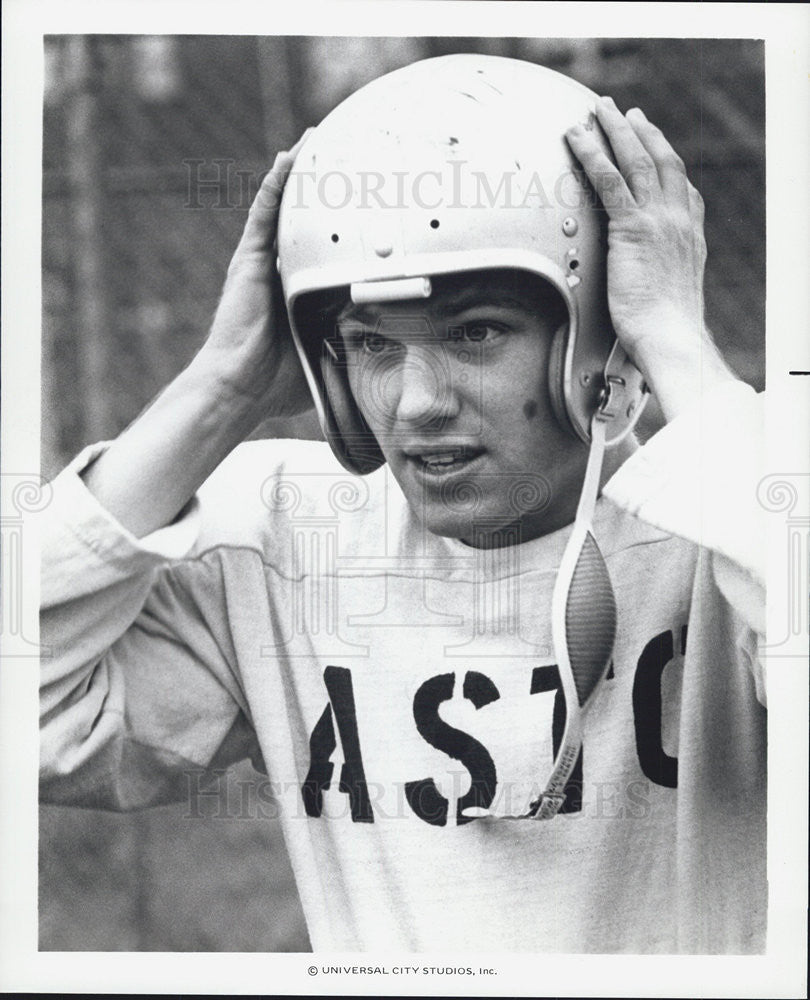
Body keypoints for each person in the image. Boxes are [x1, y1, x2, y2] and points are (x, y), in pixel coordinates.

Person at [40, 55, 766, 953]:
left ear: (596, 337)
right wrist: (218, 390)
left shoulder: (727, 534)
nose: (416, 402)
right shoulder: (280, 543)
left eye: (476, 332)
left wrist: (672, 337)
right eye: (372, 344)